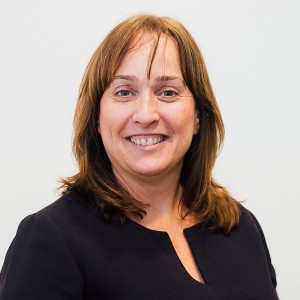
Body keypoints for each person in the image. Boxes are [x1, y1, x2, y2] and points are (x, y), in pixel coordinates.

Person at [0, 15, 278, 300]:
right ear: (97, 117)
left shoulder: (240, 226)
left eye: (168, 92)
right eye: (124, 92)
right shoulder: (51, 239)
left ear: (197, 116)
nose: (146, 115)